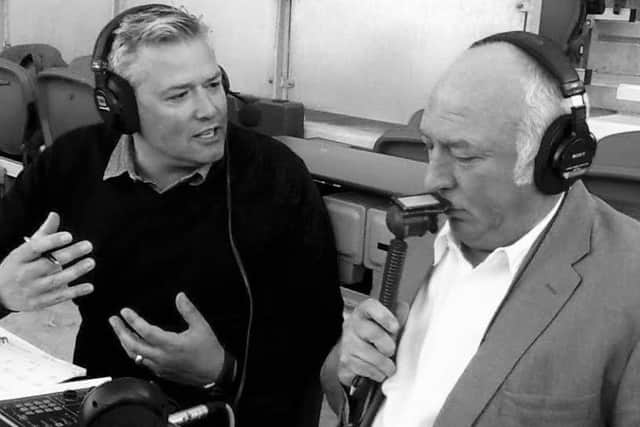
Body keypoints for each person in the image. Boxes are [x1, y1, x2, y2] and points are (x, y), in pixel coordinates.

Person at [0, 5, 343, 426]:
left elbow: (320, 339)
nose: (210, 109)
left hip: (239, 413)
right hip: (107, 409)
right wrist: (1, 290)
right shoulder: (70, 164)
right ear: (119, 105)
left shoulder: (276, 178)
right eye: (179, 95)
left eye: (213, 84)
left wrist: (222, 371)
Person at [321, 32, 640, 427]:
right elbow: (352, 399)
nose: (433, 178)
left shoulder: (629, 283)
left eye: (464, 155)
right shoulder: (420, 236)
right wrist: (347, 365)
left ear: (552, 158)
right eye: (429, 146)